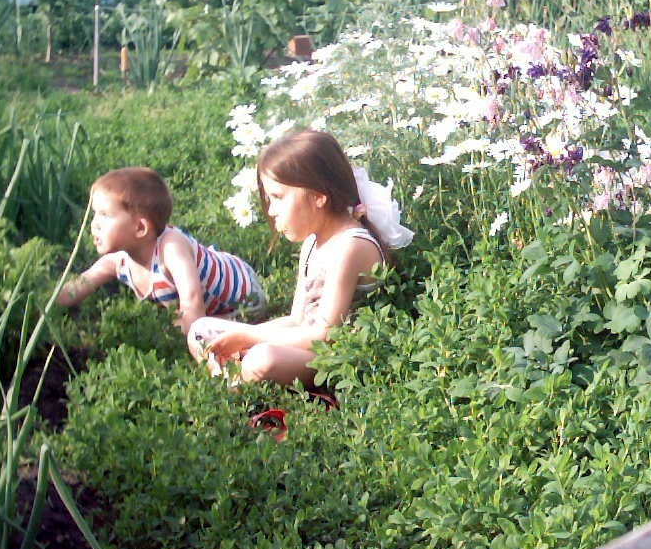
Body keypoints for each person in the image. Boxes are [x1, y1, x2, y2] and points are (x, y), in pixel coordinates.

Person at [188, 129, 413, 388]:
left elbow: (326, 333)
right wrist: (247, 336)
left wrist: (250, 337)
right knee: (201, 329)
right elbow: (297, 320)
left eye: (278, 198)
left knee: (263, 358)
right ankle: (232, 383)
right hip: (305, 347)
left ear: (318, 196)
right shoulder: (312, 243)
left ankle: (238, 385)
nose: (271, 211)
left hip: (340, 357)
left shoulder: (351, 245)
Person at [57, 167, 267, 345]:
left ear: (140, 228)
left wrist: (194, 349)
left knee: (200, 330)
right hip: (210, 307)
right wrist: (42, 305)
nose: (95, 224)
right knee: (174, 325)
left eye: (105, 215)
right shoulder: (118, 261)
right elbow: (77, 287)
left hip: (243, 298)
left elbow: (192, 299)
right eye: (94, 214)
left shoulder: (171, 247)